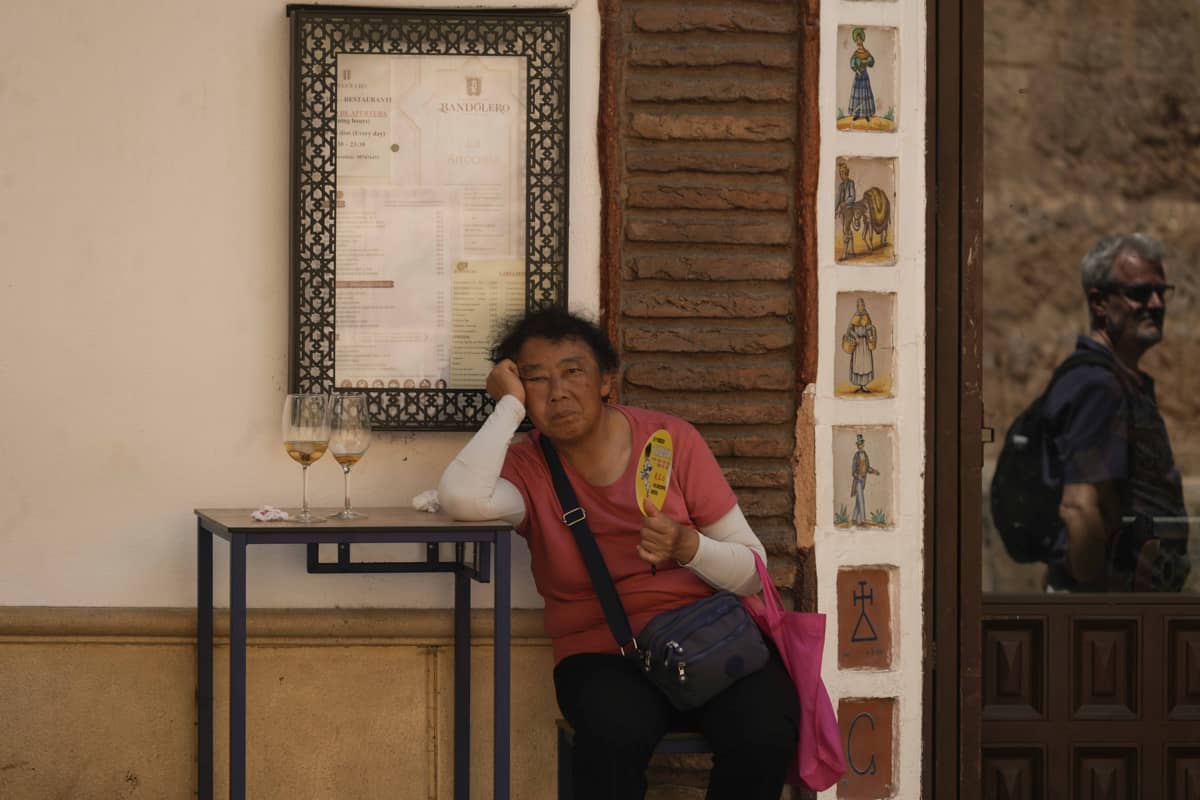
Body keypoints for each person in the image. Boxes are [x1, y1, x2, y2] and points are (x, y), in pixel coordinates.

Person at [437, 308, 799, 800]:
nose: (558, 392)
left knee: (765, 729)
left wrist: (688, 546)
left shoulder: (672, 441)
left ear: (606, 381)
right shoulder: (526, 466)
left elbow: (753, 573)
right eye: (536, 380)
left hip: (703, 639)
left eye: (573, 372)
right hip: (600, 655)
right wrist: (507, 410)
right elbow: (463, 499)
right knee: (614, 737)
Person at [1042, 233, 1188, 591]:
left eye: (1161, 292)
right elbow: (1078, 507)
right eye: (1139, 293)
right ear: (1099, 303)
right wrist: (1104, 609)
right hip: (1108, 616)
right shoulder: (1098, 387)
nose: (1155, 303)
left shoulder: (1115, 381)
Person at [850, 434, 880, 526]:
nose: (860, 446)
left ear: (863, 444)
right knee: (861, 499)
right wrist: (857, 476)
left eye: (861, 444)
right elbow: (853, 471)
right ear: (857, 445)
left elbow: (867, 468)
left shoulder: (865, 455)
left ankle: (854, 518)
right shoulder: (856, 456)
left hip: (863, 481)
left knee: (859, 500)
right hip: (858, 481)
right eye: (859, 444)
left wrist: (874, 471)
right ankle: (863, 520)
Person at [848, 27, 876, 121]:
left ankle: (866, 114)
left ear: (862, 40)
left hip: (864, 75)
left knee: (865, 93)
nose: (858, 41)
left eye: (860, 39)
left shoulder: (866, 52)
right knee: (857, 94)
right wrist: (856, 70)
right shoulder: (855, 53)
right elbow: (852, 64)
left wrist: (866, 61)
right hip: (858, 75)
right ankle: (857, 114)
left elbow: (872, 61)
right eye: (857, 40)